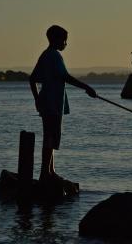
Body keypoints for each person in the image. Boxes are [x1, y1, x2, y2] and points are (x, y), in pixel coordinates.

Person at [29, 25, 97, 182]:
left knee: (52, 135)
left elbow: (33, 79)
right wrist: (87, 88)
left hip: (50, 102)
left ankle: (50, 170)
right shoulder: (53, 56)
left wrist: (37, 99)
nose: (66, 43)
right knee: (50, 136)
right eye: (64, 40)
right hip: (52, 102)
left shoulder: (45, 55)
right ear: (56, 39)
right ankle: (45, 173)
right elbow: (65, 76)